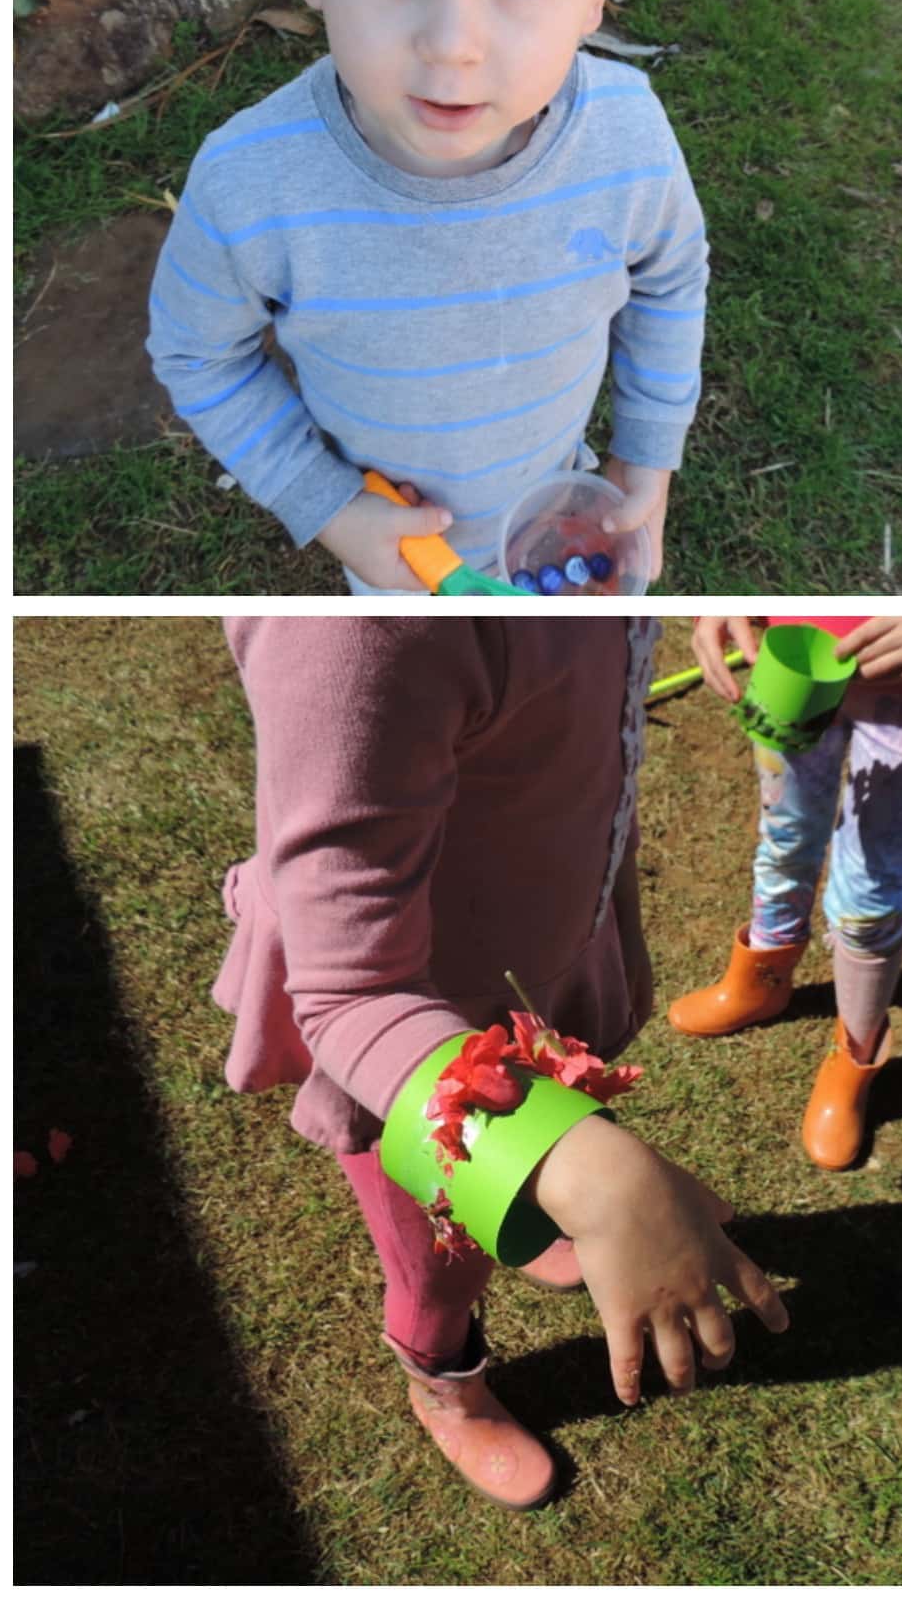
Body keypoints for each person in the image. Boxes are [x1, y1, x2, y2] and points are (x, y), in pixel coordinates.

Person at [148, 0, 706, 593]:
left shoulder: (628, 140)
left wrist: (643, 463)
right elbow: (197, 352)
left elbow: (671, 277)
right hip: (397, 565)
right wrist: (328, 507)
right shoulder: (251, 183)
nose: (453, 43)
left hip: (567, 543)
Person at [217, 618, 787, 1511]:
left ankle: (523, 1204)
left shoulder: (581, 538)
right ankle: (444, 1380)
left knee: (520, 1189)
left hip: (534, 958)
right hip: (409, 1047)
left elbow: (602, 760)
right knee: (441, 1265)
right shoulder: (357, 628)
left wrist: (615, 921)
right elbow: (353, 991)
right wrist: (598, 1178)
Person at [670, 614, 902, 1167]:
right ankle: (762, 978)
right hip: (794, 666)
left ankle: (855, 1055)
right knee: (784, 840)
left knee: (868, 899)